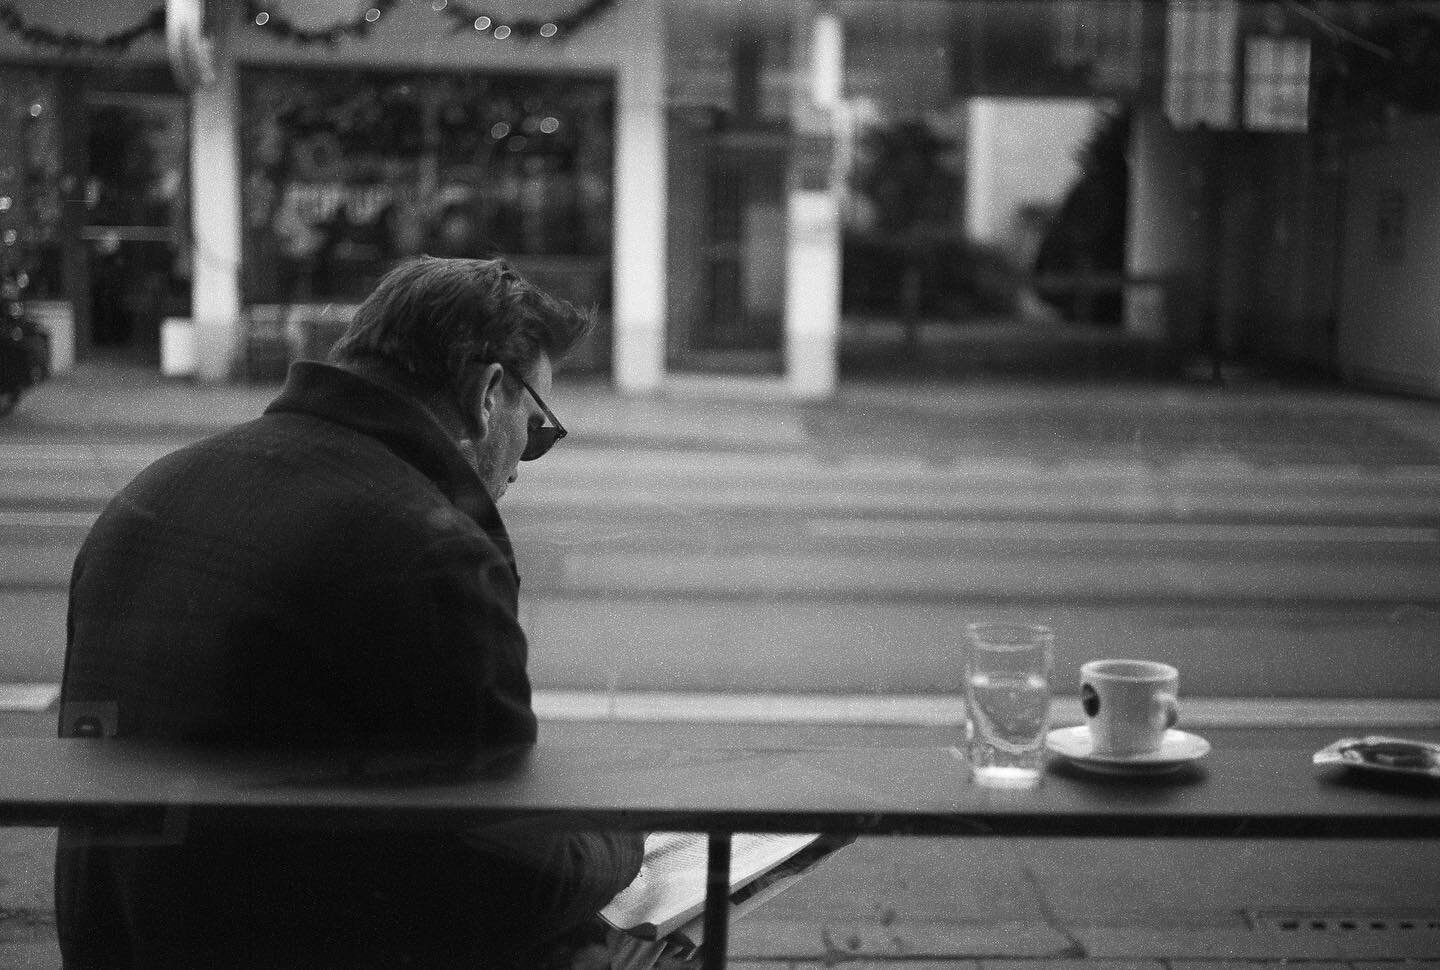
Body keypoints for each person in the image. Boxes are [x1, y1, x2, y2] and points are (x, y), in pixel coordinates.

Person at [54, 256, 647, 969]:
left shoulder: (156, 490)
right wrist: (621, 835)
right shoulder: (429, 549)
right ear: (490, 394)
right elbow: (497, 877)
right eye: (539, 430)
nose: (520, 465)